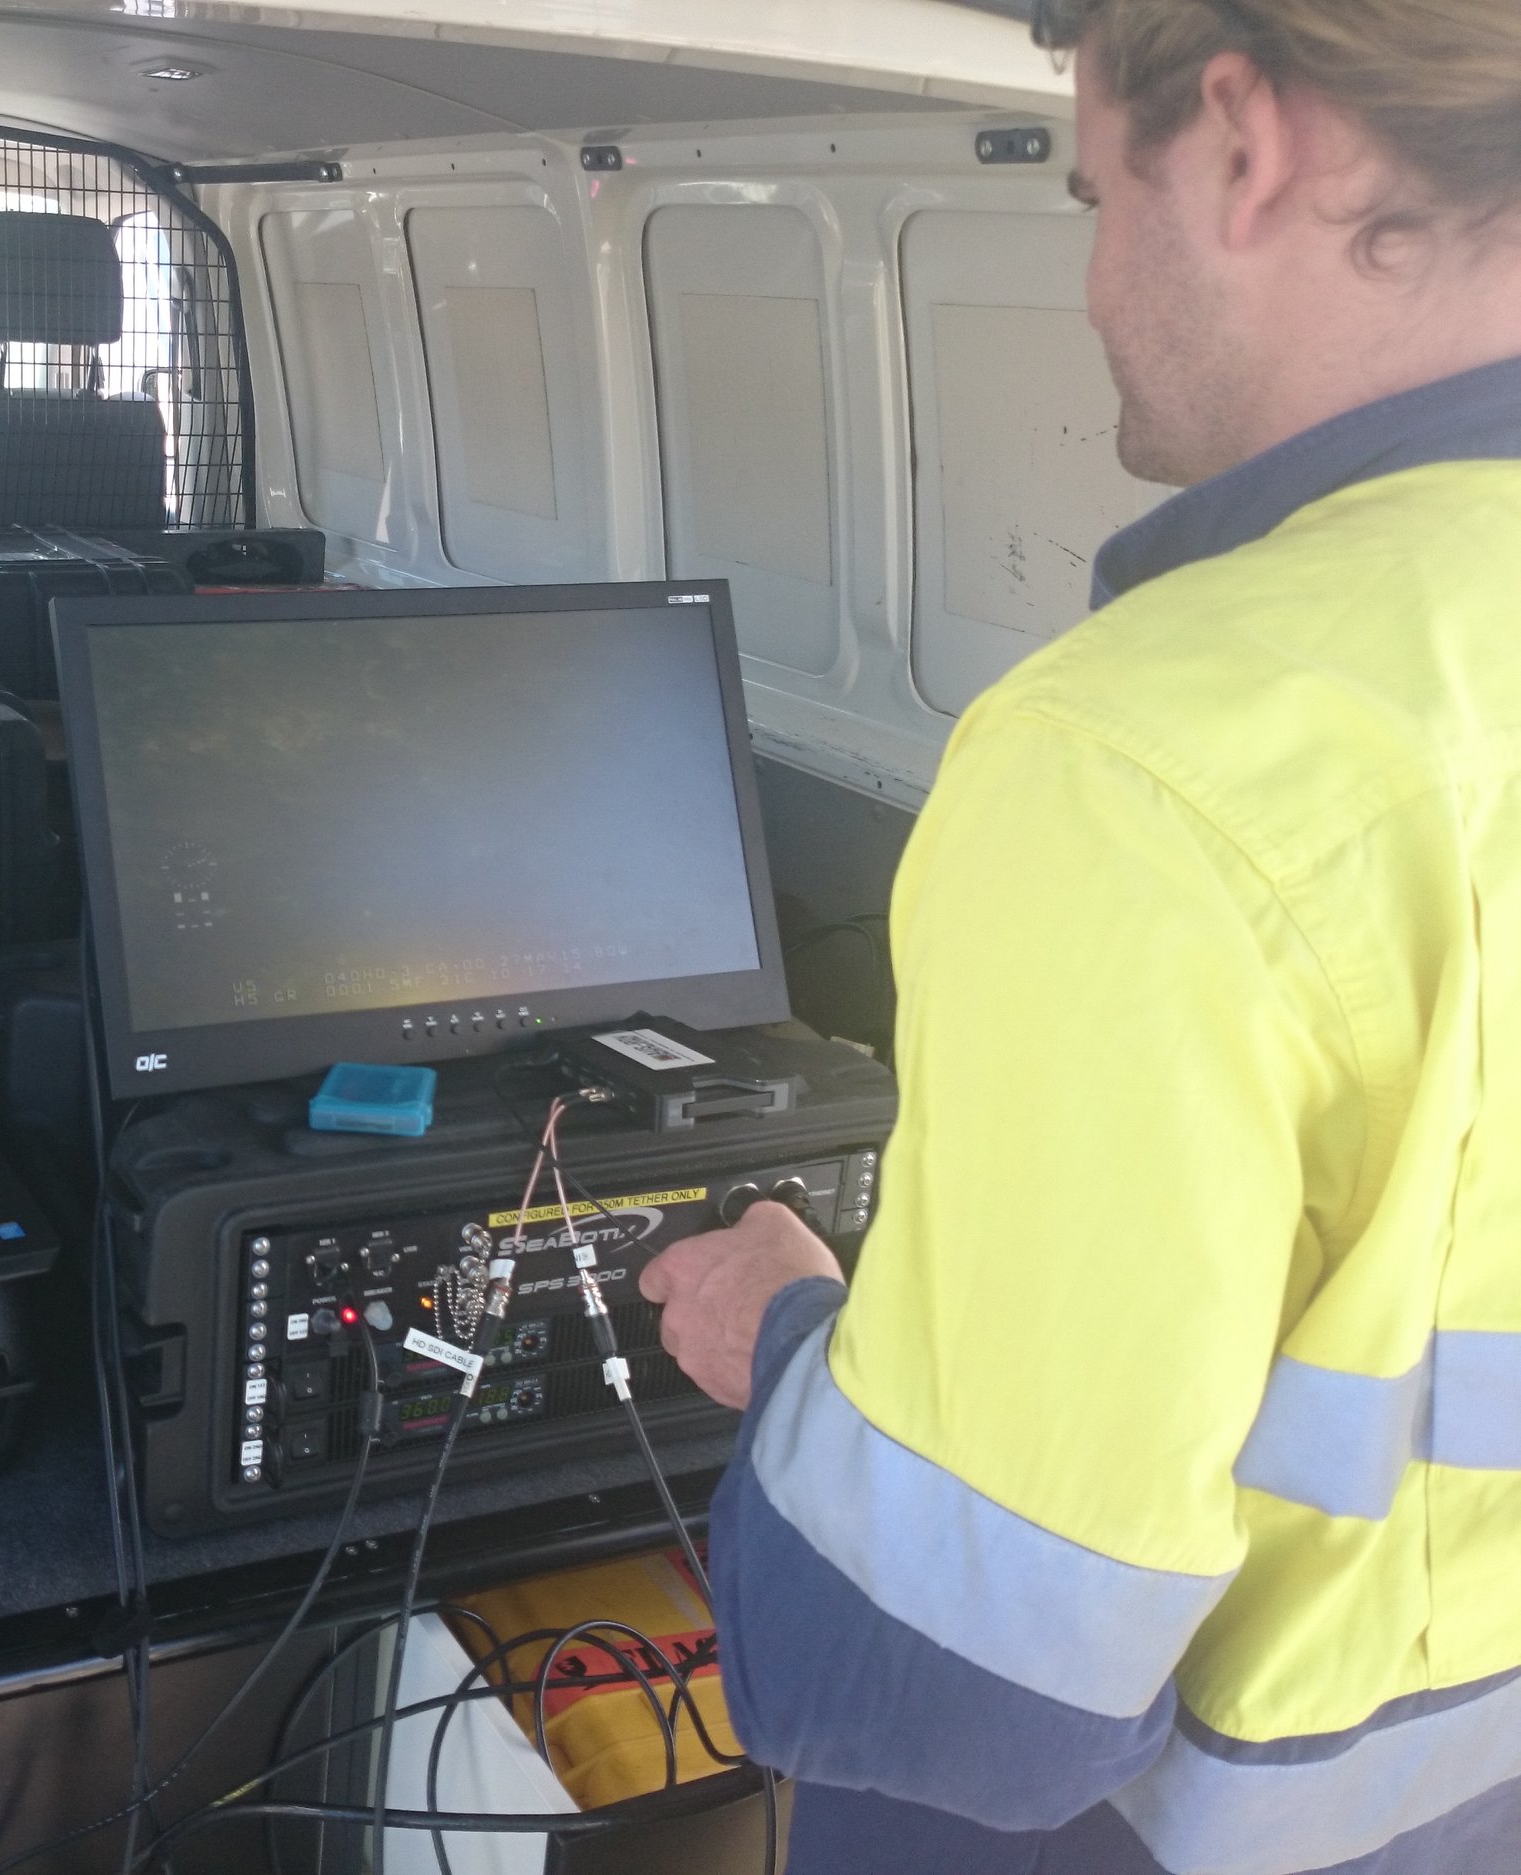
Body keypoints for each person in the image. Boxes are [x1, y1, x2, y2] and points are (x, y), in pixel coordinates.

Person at [635, 2, 1521, 1869]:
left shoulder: (1146, 753)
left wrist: (792, 1325)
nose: (1099, 285)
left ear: (1242, 140)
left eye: (1093, 196)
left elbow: (957, 1678)